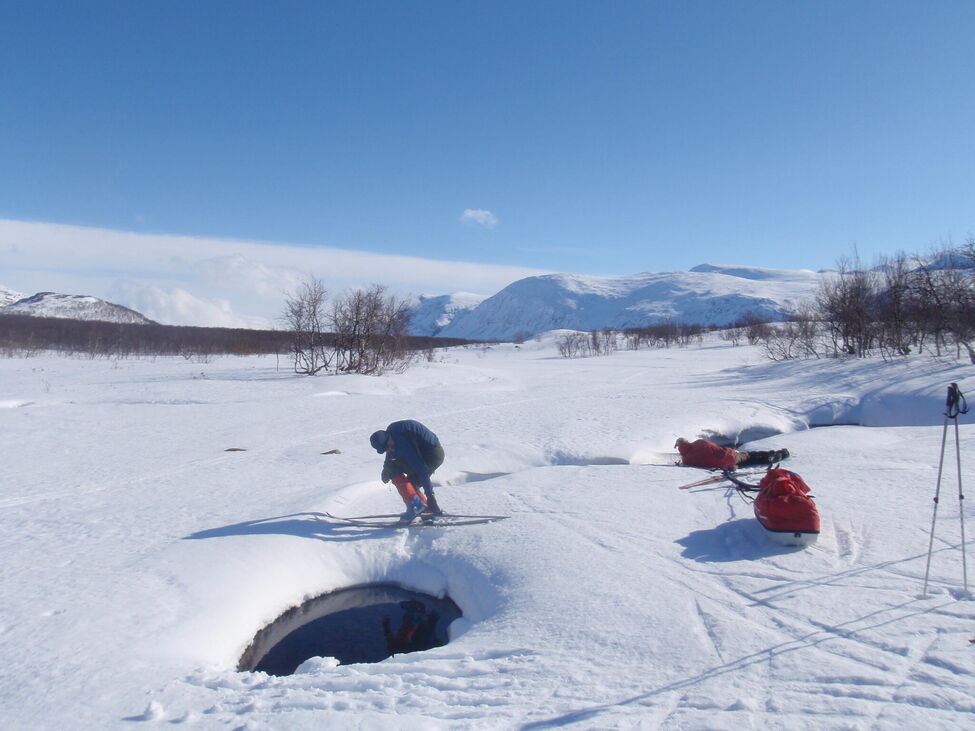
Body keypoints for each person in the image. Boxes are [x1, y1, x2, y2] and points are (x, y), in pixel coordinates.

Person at [370, 419, 445, 522]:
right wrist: (385, 469)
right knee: (399, 474)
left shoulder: (402, 444)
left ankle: (419, 508)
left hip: (433, 454)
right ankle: (424, 510)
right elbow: (390, 455)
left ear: (389, 439)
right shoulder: (392, 436)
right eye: (385, 449)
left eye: (388, 447)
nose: (388, 450)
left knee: (409, 479)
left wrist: (430, 497)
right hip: (422, 450)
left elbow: (421, 470)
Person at [675, 437, 789, 470]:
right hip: (730, 456)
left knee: (747, 461)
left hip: (724, 465)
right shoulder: (700, 442)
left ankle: (770, 455)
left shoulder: (687, 460)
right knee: (751, 455)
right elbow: (716, 448)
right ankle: (778, 455)